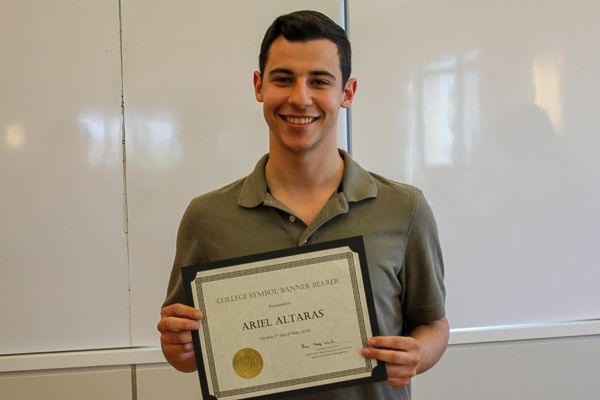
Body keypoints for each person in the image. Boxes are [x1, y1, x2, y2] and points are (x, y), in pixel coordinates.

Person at [157, 10, 449, 399]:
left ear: (347, 92)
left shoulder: (404, 208)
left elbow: (433, 324)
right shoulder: (206, 217)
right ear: (259, 85)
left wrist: (418, 353)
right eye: (283, 79)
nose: (300, 98)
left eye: (319, 81)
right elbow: (188, 353)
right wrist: (177, 347)